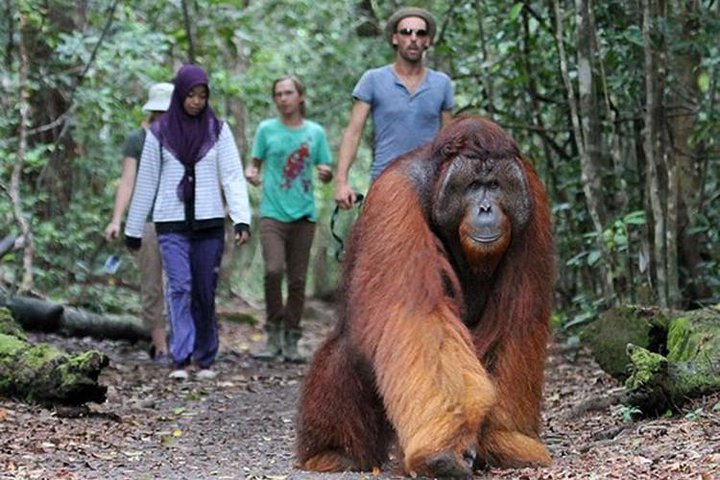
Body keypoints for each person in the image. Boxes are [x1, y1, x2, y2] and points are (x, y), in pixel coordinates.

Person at [124, 64, 251, 380]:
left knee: (204, 290)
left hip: (209, 222)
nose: (196, 101)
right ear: (179, 95)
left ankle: (205, 357)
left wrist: (241, 219)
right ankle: (181, 357)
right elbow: (146, 182)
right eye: (191, 95)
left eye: (202, 95)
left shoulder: (218, 131)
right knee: (179, 287)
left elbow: (233, 176)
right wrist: (133, 228)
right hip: (172, 221)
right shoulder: (159, 134)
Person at [245, 76, 333, 363]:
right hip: (272, 212)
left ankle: (292, 338)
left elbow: (325, 166)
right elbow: (254, 164)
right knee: (272, 271)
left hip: (304, 214)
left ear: (300, 97)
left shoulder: (315, 133)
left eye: (288, 93)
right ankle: (272, 333)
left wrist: (325, 173)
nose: (283, 98)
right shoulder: (266, 130)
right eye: (278, 94)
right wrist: (252, 174)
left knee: (297, 280)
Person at [334, 6, 454, 208]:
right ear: (395, 39)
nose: (413, 38)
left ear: (428, 41)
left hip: (430, 185)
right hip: (386, 183)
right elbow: (353, 133)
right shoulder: (373, 79)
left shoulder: (442, 83)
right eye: (406, 32)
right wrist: (341, 182)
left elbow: (449, 139)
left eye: (420, 33)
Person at [104, 82, 174, 365]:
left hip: (177, 219)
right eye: (158, 111)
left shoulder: (182, 137)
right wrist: (116, 220)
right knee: (151, 284)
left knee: (179, 284)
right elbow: (128, 181)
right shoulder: (138, 139)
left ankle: (179, 340)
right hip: (147, 221)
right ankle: (160, 346)